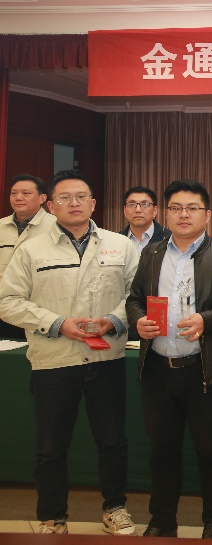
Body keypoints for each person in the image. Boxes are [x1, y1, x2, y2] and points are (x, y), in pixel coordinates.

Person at [0, 169, 138, 535]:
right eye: (64, 198)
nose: (73, 203)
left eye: (80, 197)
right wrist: (58, 323)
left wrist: (113, 320)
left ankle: (115, 508)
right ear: (51, 205)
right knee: (51, 446)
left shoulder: (120, 245)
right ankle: (52, 516)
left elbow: (137, 295)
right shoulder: (31, 249)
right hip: (53, 360)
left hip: (106, 359)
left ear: (93, 203)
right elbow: (7, 301)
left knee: (112, 441)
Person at [126, 179, 212, 539]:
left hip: (205, 370)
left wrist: (205, 321)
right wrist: (138, 320)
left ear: (207, 214)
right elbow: (134, 298)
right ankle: (162, 520)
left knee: (211, 450)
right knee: (162, 450)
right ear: (166, 214)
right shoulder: (152, 254)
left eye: (192, 208)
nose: (184, 215)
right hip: (158, 369)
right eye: (176, 208)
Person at [0, 174, 57, 340]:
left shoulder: (55, 226)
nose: (18, 198)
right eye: (14, 193)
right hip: (5, 308)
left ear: (42, 198)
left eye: (26, 193)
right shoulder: (1, 226)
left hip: (41, 311)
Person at [118, 186, 171, 254]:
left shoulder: (169, 239)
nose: (138, 210)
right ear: (125, 210)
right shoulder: (115, 240)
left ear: (155, 210)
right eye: (132, 204)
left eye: (145, 204)